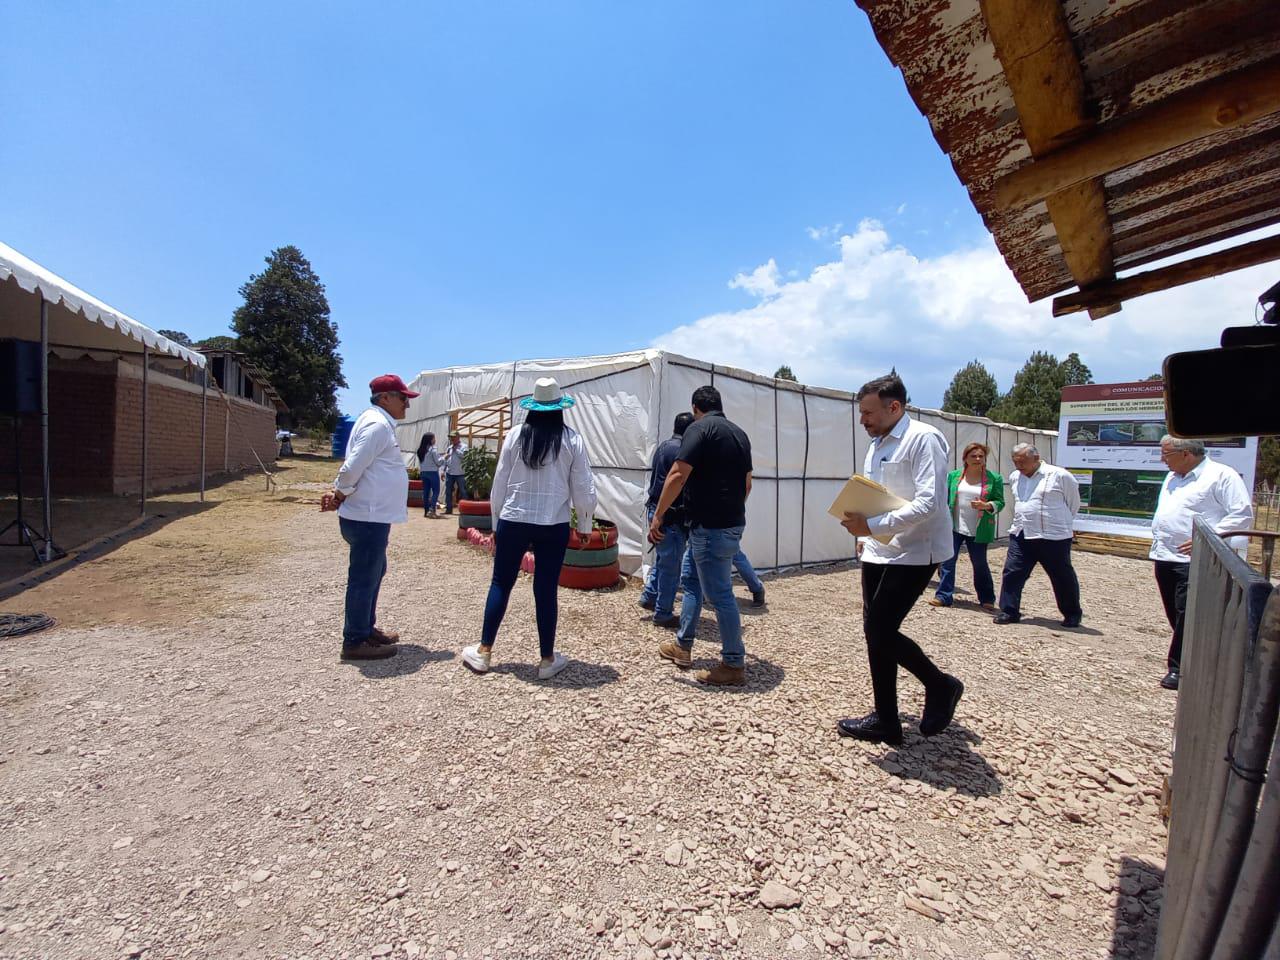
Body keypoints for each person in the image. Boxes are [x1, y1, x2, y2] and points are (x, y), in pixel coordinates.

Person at [836, 373, 963, 745]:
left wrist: (871, 524)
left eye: (869, 413)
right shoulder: (876, 443)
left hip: (916, 551)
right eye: (861, 413)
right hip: (878, 548)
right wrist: (867, 536)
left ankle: (940, 685)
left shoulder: (923, 439)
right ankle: (886, 720)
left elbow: (930, 502)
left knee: (879, 629)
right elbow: (877, 492)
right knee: (875, 634)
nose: (863, 420)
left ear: (895, 407)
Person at [461, 378, 596, 680]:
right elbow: (583, 486)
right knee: (546, 589)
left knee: (500, 583)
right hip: (554, 523)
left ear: (532, 407)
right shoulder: (572, 439)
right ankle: (547, 660)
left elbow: (500, 483)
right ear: (560, 408)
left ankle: (484, 652)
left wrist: (496, 523)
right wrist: (585, 523)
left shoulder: (514, 436)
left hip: (514, 519)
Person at [648, 385, 753, 686]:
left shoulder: (699, 430)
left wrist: (659, 515)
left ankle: (733, 664)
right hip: (727, 523)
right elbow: (747, 484)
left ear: (696, 407)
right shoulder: (739, 434)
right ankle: (683, 646)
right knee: (691, 582)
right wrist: (731, 511)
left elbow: (678, 475)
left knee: (720, 594)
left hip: (709, 527)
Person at [1150, 436, 1253, 691]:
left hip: (1196, 557)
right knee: (1177, 613)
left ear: (1186, 454)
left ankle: (1178, 668)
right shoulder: (1173, 476)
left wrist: (1207, 537)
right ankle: (1198, 656)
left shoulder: (1221, 476)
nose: (1162, 459)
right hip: (1165, 555)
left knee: (1189, 612)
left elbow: (1241, 514)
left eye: (1166, 454)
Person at [329, 374, 419, 661]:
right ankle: (355, 639)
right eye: (403, 398)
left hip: (372, 515)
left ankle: (365, 628)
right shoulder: (377, 425)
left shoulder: (377, 423)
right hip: (367, 515)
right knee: (364, 577)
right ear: (385, 398)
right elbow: (353, 466)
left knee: (373, 572)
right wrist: (340, 493)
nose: (407, 404)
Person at [993, 444, 1083, 627]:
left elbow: (1073, 504)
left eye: (1023, 462)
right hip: (1022, 533)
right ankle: (1009, 611)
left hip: (1053, 537)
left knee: (1061, 576)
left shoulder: (1059, 475)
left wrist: (1059, 523)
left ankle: (1072, 613)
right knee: (1012, 572)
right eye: (1015, 462)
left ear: (1036, 458)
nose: (1019, 466)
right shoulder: (1015, 477)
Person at [929, 442, 1004, 609]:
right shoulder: (954, 476)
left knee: (979, 563)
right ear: (965, 458)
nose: (977, 459)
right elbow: (944, 498)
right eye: (973, 456)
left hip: (978, 528)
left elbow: (1000, 502)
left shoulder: (995, 478)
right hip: (954, 526)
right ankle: (943, 596)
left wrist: (987, 506)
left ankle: (987, 598)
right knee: (948, 560)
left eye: (981, 456)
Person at [639, 413, 694, 628]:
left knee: (663, 560)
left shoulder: (663, 446)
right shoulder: (683, 451)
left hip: (655, 509)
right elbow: (677, 482)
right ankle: (663, 613)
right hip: (669, 515)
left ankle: (650, 595)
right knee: (672, 566)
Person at [441, 431, 469, 514]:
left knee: (463, 491)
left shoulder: (464, 446)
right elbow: (446, 460)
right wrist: (443, 471)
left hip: (460, 473)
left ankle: (465, 510)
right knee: (448, 491)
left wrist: (456, 450)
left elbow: (465, 457)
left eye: (453, 437)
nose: (452, 439)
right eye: (451, 437)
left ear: (458, 437)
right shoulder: (449, 447)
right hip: (450, 473)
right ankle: (448, 509)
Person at [416, 433, 443, 518]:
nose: (435, 440)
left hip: (423, 473)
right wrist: (444, 457)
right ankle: (432, 510)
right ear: (430, 440)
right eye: (434, 438)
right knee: (436, 491)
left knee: (426, 492)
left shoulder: (420, 450)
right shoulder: (433, 449)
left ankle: (426, 511)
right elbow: (438, 462)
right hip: (432, 472)